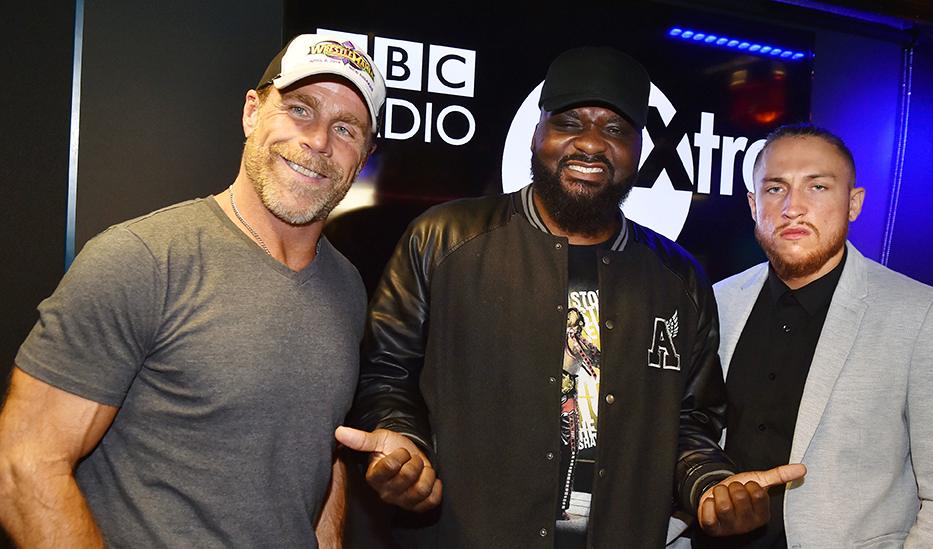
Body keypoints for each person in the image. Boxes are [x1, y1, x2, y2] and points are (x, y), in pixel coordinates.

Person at [335, 46, 804, 548]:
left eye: (616, 129)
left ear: (641, 151)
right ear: (537, 135)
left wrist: (709, 484)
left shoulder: (680, 279)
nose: (590, 144)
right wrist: (405, 447)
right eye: (569, 122)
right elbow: (387, 373)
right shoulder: (444, 238)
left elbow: (691, 422)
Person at [0, 34, 385, 547]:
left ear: (363, 155)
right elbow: (22, 464)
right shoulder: (142, 259)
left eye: (345, 128)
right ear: (252, 112)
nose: (318, 141)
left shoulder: (348, 287)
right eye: (299, 109)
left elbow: (320, 450)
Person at [698, 124, 933, 548]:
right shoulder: (717, 302)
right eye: (775, 189)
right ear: (754, 205)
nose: (793, 207)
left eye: (818, 187)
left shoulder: (923, 316)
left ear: (853, 204)